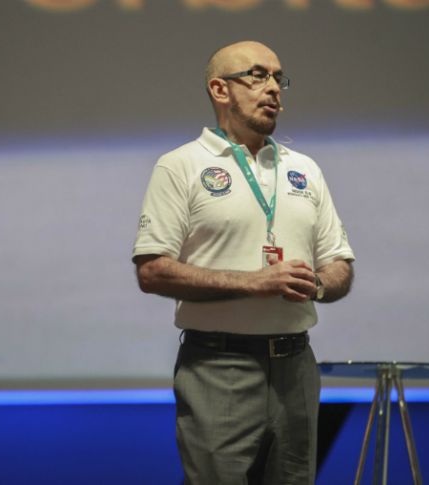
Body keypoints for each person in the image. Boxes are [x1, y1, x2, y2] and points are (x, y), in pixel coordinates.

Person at [132, 40, 355, 485]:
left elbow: (340, 265)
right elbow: (153, 269)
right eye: (257, 75)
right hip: (219, 366)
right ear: (220, 89)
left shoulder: (304, 169)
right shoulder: (181, 166)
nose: (273, 88)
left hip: (296, 365)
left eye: (278, 77)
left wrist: (317, 286)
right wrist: (254, 282)